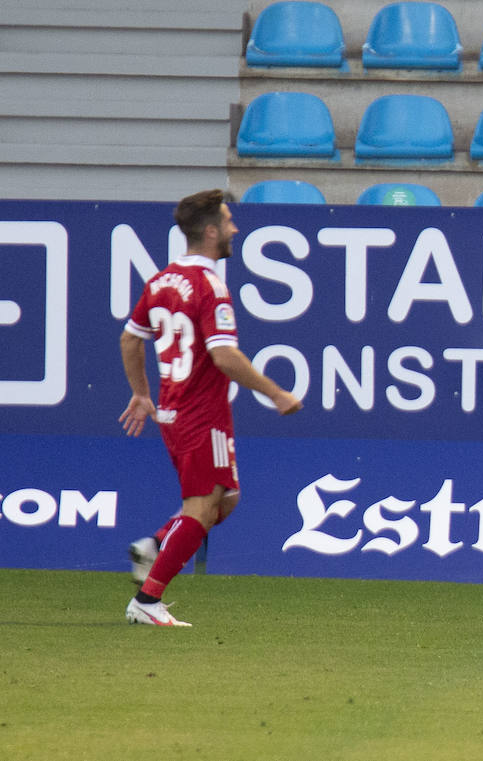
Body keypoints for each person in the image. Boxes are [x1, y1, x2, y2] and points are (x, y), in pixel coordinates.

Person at [120, 189, 302, 627]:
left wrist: (143, 394)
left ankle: (156, 546)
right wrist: (275, 392)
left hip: (177, 410)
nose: (235, 229)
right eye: (229, 221)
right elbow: (224, 356)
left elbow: (130, 337)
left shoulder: (161, 281)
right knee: (203, 508)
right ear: (211, 231)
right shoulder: (210, 285)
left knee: (226, 501)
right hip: (201, 413)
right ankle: (147, 600)